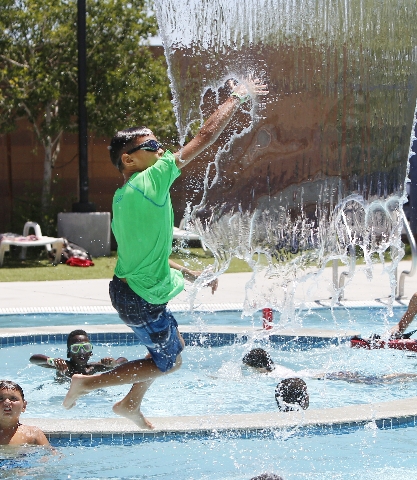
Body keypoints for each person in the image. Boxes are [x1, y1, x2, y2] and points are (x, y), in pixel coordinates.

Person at [62, 76, 268, 429]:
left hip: (133, 291)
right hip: (140, 298)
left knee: (172, 347)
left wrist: (188, 273)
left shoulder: (124, 195)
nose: (161, 150)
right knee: (169, 362)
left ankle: (130, 403)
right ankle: (87, 384)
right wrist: (236, 96)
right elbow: (204, 138)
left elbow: (146, 251)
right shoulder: (152, 179)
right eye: (152, 145)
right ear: (128, 159)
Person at [29, 329, 128, 378]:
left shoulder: (94, 368)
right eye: (76, 348)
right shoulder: (64, 366)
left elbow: (125, 362)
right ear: (69, 353)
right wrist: (52, 361)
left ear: (91, 352)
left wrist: (115, 363)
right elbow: (33, 359)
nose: (82, 352)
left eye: (86, 347)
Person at [0, 380, 49, 446]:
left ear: (24, 406)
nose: (7, 402)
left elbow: (50, 452)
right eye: (0, 398)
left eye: (13, 398)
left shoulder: (33, 434)